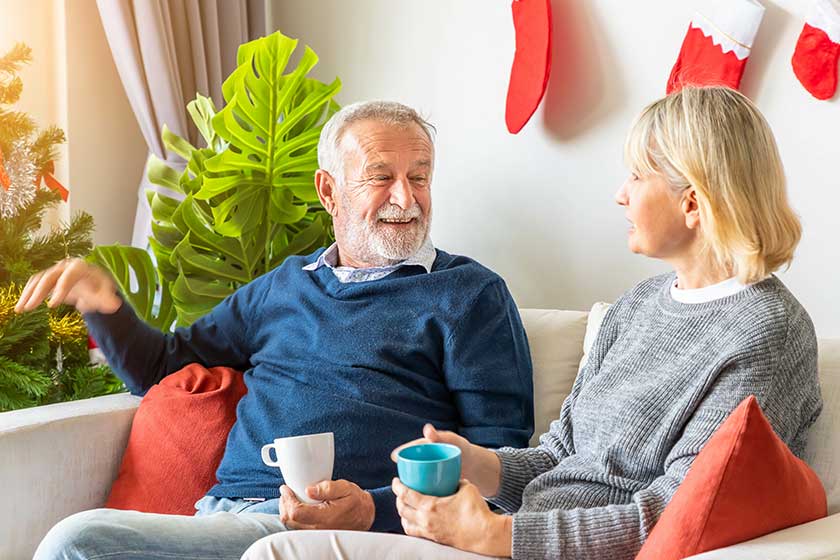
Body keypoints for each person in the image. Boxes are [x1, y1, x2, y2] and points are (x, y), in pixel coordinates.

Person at [241, 86, 823, 560]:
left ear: (693, 202)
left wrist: (497, 537)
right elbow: (559, 458)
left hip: (527, 546)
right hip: (511, 537)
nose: (620, 195)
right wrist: (476, 463)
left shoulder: (762, 331)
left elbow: (676, 511)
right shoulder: (638, 306)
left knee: (279, 554)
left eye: (638, 176)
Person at [17, 101, 535, 560]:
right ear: (328, 190)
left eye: (419, 177)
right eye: (381, 177)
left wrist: (370, 511)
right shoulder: (285, 287)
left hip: (348, 537)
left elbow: (499, 471)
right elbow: (161, 369)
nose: (407, 197)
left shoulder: (469, 293)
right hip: (226, 520)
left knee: (78, 543)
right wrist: (102, 303)